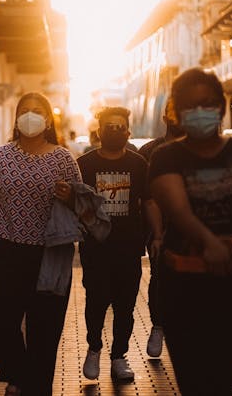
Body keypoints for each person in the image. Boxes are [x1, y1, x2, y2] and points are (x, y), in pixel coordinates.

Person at [149, 68, 232, 395]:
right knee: (194, 379)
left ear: (221, 105)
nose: (199, 111)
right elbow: (178, 209)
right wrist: (208, 242)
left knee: (226, 378)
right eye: (189, 105)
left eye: (207, 103)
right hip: (185, 284)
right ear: (176, 110)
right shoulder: (165, 157)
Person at [0, 92, 82, 396]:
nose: (31, 115)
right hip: (8, 251)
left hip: (50, 256)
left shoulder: (64, 159)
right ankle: (21, 375)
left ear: (48, 119)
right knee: (1, 331)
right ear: (16, 118)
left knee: (45, 331)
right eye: (25, 110)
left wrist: (70, 195)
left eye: (37, 111)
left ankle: (33, 387)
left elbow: (82, 205)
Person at [76, 107, 152, 382]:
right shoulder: (83, 164)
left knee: (125, 306)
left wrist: (154, 236)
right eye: (110, 126)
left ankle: (119, 357)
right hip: (96, 249)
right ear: (99, 131)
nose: (115, 131)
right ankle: (94, 348)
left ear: (128, 132)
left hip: (129, 247)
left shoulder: (138, 164)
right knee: (95, 302)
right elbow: (75, 203)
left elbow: (149, 202)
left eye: (121, 127)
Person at [137, 97, 185, 358]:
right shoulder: (149, 151)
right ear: (164, 117)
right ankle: (158, 325)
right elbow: (143, 197)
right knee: (160, 277)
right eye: (172, 110)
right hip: (160, 228)